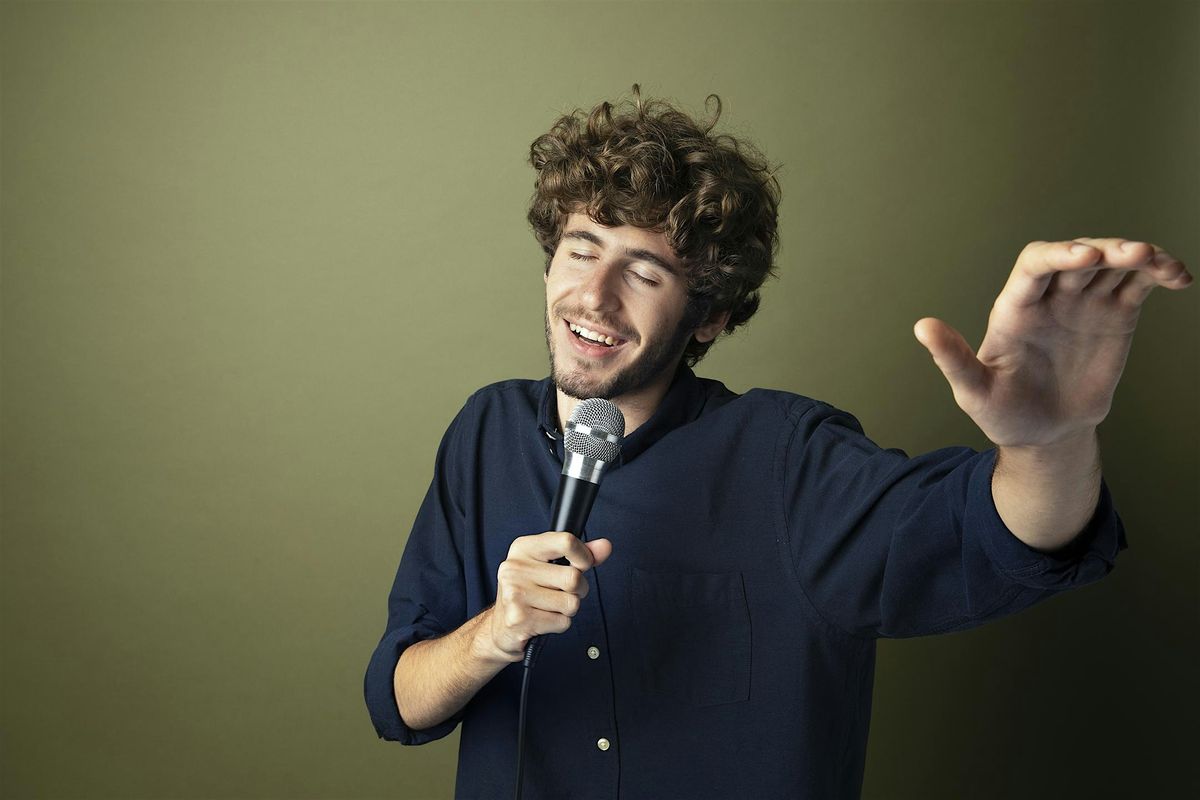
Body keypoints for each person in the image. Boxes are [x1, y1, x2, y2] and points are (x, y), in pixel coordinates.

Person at [363, 85, 1192, 799]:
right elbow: (398, 701)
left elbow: (999, 533)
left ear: (712, 316)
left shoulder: (790, 458)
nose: (596, 296)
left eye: (645, 272)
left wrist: (1051, 442)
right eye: (581, 251)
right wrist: (493, 634)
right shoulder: (484, 432)